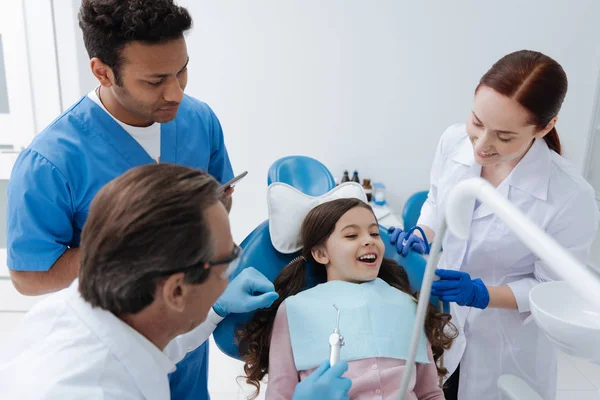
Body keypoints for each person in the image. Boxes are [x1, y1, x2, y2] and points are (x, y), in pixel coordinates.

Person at [5, 1, 259, 398]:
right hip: (115, 348)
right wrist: (139, 246)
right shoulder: (50, 162)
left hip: (182, 343)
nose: (175, 92)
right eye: (155, 81)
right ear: (102, 71)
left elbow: (216, 204)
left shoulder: (199, 120)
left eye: (182, 71)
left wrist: (211, 297)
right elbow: (29, 276)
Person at [0, 164, 348, 399]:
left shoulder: (86, 305)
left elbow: (154, 341)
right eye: (229, 259)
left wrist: (214, 307)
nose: (235, 270)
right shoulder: (91, 389)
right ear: (177, 290)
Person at [390, 50, 600, 400]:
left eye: (504, 137)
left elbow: (552, 289)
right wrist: (422, 233)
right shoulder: (453, 141)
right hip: (443, 326)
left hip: (505, 347)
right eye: (477, 122)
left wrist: (484, 295)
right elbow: (437, 199)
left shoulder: (570, 197)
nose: (482, 146)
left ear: (545, 127)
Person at [237, 198, 456, 399]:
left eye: (374, 233)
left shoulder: (407, 305)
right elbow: (279, 394)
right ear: (321, 254)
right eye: (351, 235)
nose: (368, 241)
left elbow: (429, 394)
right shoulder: (294, 310)